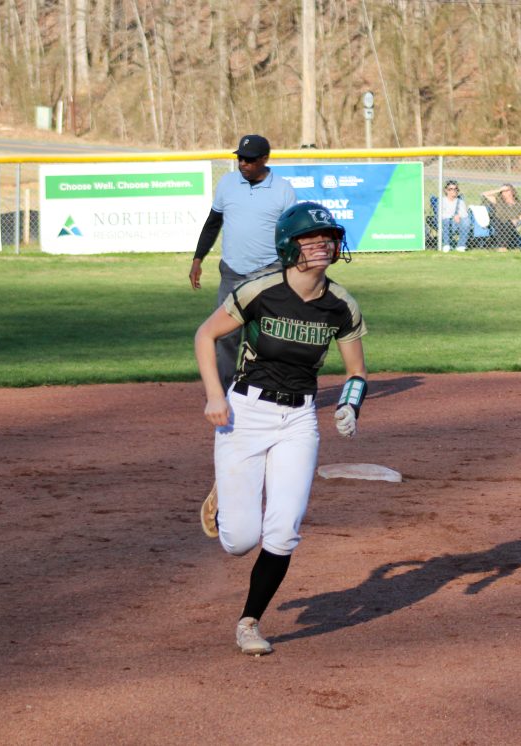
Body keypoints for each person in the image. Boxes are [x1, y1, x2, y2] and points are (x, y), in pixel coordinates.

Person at [194, 202, 368, 655]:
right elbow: (205, 335)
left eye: (328, 236)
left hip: (299, 419)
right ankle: (224, 495)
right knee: (240, 541)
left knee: (285, 530)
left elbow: (356, 373)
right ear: (290, 246)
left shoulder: (340, 305)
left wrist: (351, 406)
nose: (323, 244)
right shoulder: (262, 291)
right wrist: (215, 394)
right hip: (245, 414)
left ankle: (249, 621)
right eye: (312, 238)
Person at [189, 134, 297, 391]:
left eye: (249, 160)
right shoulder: (227, 183)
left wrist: (292, 272)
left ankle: (264, 392)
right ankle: (221, 395)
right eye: (240, 158)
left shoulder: (283, 189)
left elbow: (291, 235)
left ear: (264, 159)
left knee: (267, 338)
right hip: (232, 274)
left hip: (268, 272)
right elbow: (213, 222)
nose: (243, 164)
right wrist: (198, 259)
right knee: (225, 336)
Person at [481, 184, 521, 250]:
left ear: (512, 191)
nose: (504, 193)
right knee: (499, 224)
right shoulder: (498, 200)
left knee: (508, 224)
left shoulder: (518, 203)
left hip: (511, 221)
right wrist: (499, 190)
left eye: (507, 190)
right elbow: (484, 194)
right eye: (503, 191)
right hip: (498, 220)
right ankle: (503, 247)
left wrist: (517, 220)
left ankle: (502, 247)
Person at [438, 180, 469, 253]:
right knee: (446, 220)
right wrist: (453, 216)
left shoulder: (460, 202)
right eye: (450, 189)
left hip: (457, 223)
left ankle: (461, 246)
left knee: (466, 221)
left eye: (455, 189)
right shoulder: (442, 201)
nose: (453, 191)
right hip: (445, 223)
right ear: (446, 190)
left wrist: (459, 216)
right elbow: (441, 215)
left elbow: (464, 214)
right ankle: (446, 245)